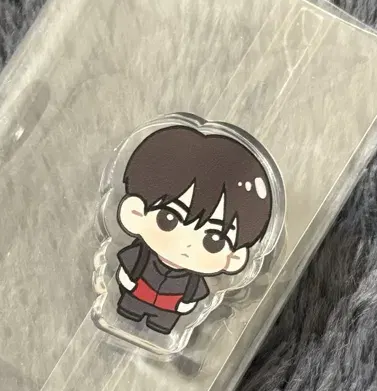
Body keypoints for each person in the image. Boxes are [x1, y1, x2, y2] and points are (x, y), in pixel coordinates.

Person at [114, 123, 275, 334]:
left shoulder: (192, 281)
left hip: (169, 312)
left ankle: (157, 325)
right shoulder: (142, 255)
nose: (186, 245)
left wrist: (184, 306)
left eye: (214, 241)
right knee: (129, 310)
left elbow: (193, 295)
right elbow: (128, 267)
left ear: (235, 257)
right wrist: (128, 282)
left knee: (161, 324)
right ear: (135, 212)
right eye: (168, 219)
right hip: (135, 296)